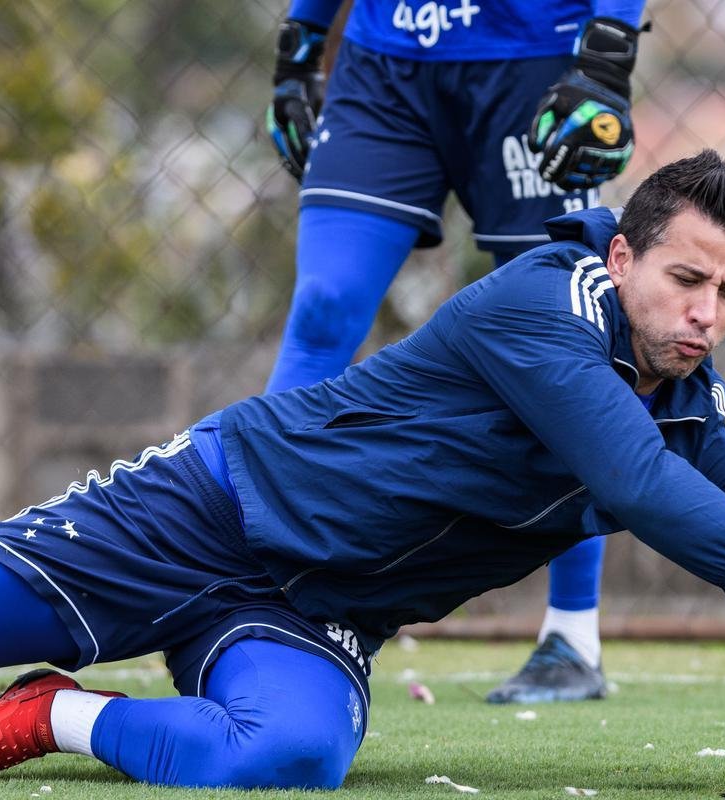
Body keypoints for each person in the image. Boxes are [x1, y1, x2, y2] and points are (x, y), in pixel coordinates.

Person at [0, 152, 725, 791]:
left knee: (291, 759)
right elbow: (647, 489)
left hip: (319, 612)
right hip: (196, 513)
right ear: (623, 258)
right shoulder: (538, 306)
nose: (707, 315)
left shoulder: (697, 402)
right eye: (685, 282)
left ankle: (49, 712)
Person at [265, 0, 647, 704]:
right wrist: (303, 37)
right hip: (383, 61)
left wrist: (609, 46)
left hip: (533, 56)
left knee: (562, 331)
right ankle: (250, 590)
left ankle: (572, 635)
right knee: (321, 310)